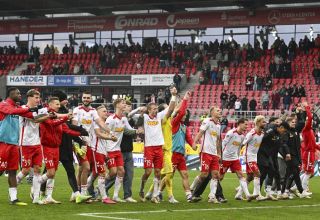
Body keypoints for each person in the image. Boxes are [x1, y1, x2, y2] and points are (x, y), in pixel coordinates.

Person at [39, 97, 87, 204]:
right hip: (48, 147)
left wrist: (80, 135)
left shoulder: (58, 117)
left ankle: (50, 196)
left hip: (59, 147)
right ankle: (37, 188)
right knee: (49, 172)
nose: (59, 106)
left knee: (55, 172)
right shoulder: (45, 114)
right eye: (57, 104)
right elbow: (52, 124)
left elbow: (67, 130)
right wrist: (65, 117)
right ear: (50, 104)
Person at [137, 87, 177, 203]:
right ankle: (141, 188)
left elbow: (170, 109)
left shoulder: (159, 117)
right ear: (148, 110)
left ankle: (155, 195)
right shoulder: (144, 117)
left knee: (158, 172)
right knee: (148, 172)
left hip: (159, 148)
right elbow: (137, 122)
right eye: (153, 109)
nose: (155, 111)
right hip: (149, 148)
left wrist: (173, 95)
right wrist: (140, 121)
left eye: (156, 109)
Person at [0, 87, 38, 205]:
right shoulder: (3, 104)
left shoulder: (18, 108)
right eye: (17, 93)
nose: (20, 95)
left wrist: (50, 115)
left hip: (14, 144)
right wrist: (28, 108)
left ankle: (13, 198)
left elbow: (33, 116)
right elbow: (11, 112)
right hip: (3, 143)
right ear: (11, 94)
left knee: (12, 171)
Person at [72, 91, 111, 199]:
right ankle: (82, 194)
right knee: (86, 167)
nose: (86, 99)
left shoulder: (93, 111)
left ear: (91, 99)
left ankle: (76, 193)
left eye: (88, 98)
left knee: (81, 169)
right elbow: (74, 125)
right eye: (84, 97)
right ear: (81, 98)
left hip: (88, 143)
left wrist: (109, 131)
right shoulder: (77, 110)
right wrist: (77, 139)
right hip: (79, 142)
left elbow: (100, 123)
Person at [16, 89, 51, 205]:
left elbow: (44, 114)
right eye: (36, 97)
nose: (38, 100)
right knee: (25, 170)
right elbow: (36, 119)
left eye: (39, 97)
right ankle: (13, 187)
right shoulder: (23, 109)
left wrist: (48, 114)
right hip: (25, 144)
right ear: (29, 97)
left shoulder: (39, 109)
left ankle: (36, 198)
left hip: (36, 143)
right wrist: (48, 116)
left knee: (37, 170)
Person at [103, 99, 140, 203]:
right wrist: (110, 138)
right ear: (117, 105)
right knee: (113, 172)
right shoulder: (111, 119)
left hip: (118, 150)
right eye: (123, 103)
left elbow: (128, 130)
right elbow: (104, 132)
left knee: (122, 171)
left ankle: (115, 196)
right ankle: (101, 186)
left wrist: (137, 130)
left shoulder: (123, 118)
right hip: (109, 150)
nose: (125, 105)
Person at [191, 106, 222, 203]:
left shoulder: (218, 125)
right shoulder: (207, 121)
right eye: (218, 110)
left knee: (215, 175)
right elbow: (200, 133)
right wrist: (194, 142)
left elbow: (217, 140)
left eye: (220, 110)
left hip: (214, 153)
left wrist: (219, 153)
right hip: (205, 151)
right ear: (212, 112)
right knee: (204, 174)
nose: (220, 111)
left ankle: (212, 197)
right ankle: (191, 187)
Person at [220, 118, 255, 201]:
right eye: (245, 124)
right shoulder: (231, 133)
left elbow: (239, 147)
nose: (247, 126)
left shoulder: (243, 136)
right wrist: (220, 156)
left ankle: (247, 195)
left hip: (235, 159)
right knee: (220, 177)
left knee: (241, 175)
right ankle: (213, 193)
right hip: (225, 158)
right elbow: (223, 143)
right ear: (240, 124)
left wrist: (238, 156)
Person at [235, 115, 267, 201]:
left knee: (250, 177)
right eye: (263, 122)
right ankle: (257, 195)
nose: (265, 123)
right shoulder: (251, 134)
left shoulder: (262, 133)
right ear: (258, 122)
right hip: (248, 156)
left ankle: (238, 194)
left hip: (254, 156)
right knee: (257, 173)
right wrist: (237, 155)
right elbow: (242, 144)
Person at [258, 121, 290, 201]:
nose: (284, 132)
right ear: (281, 127)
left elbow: (279, 146)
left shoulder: (279, 135)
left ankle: (268, 192)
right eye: (284, 130)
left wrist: (285, 155)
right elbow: (261, 140)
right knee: (263, 174)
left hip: (269, 155)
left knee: (272, 171)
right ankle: (257, 193)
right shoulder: (270, 131)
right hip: (261, 154)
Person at [171, 92, 193, 202]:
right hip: (173, 153)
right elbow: (180, 112)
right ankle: (158, 192)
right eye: (183, 115)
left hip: (180, 154)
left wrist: (193, 145)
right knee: (169, 176)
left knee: (185, 174)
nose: (184, 116)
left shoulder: (184, 126)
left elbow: (188, 138)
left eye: (185, 115)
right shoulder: (174, 123)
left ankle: (189, 195)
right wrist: (185, 99)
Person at [281, 116, 311, 199]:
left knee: (289, 174)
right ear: (287, 124)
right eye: (292, 122)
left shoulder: (296, 132)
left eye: (294, 122)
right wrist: (287, 153)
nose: (294, 123)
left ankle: (284, 191)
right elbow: (284, 144)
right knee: (296, 172)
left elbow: (302, 123)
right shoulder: (286, 132)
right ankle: (301, 191)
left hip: (297, 156)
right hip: (290, 156)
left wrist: (300, 113)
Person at [300, 103, 320, 194]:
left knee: (308, 172)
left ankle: (295, 187)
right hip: (308, 153)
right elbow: (310, 118)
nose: (311, 122)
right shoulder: (306, 129)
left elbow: (314, 145)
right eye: (309, 121)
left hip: (310, 153)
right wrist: (307, 108)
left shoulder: (311, 130)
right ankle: (304, 190)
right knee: (308, 172)